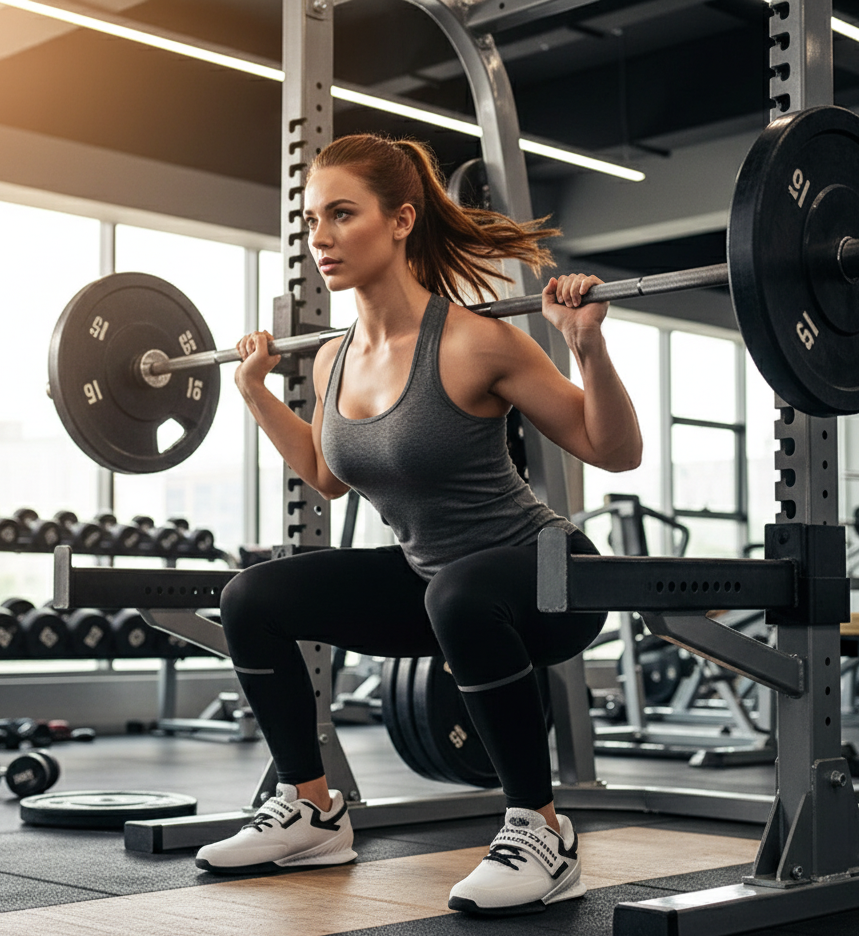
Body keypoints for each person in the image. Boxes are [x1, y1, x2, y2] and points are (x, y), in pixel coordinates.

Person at [195, 133, 642, 916]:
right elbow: (329, 479)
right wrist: (259, 392)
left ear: (401, 221)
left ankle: (541, 830)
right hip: (436, 583)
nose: (320, 238)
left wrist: (587, 347)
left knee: (460, 595)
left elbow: (615, 451)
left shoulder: (474, 341)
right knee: (251, 597)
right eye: (310, 221)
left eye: (342, 214)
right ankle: (311, 811)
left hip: (546, 573)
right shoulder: (333, 358)